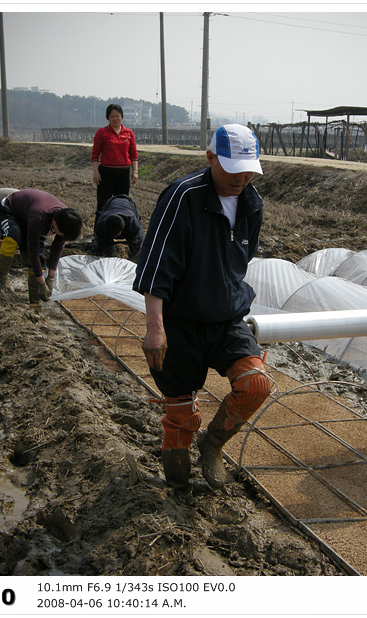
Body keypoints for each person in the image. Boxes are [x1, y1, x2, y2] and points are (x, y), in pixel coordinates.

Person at [133, 124, 272, 493]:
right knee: (179, 424)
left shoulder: (252, 202)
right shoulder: (183, 196)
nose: (241, 177)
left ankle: (212, 445)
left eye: (248, 170)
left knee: (256, 384)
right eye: (231, 168)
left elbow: (240, 260)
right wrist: (155, 328)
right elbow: (156, 265)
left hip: (226, 317)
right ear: (210, 158)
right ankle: (177, 490)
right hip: (180, 322)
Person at [0, 189, 82, 306]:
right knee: (13, 237)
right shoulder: (40, 217)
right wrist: (42, 283)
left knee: (39, 259)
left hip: (30, 215)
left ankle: (34, 300)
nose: (62, 236)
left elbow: (57, 248)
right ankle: (1, 283)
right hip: (11, 210)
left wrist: (50, 277)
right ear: (54, 224)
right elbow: (33, 251)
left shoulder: (66, 220)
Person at [91, 104, 138, 221]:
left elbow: (133, 154)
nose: (115, 119)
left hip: (123, 173)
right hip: (106, 173)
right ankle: (100, 234)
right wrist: (95, 172)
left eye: (117, 116)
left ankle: (121, 231)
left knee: (122, 204)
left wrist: (135, 172)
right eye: (112, 116)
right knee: (103, 205)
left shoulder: (129, 133)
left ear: (122, 117)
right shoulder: (102, 133)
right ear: (108, 118)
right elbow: (95, 154)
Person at [88, 194, 145, 261]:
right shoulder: (101, 224)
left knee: (139, 248)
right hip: (110, 203)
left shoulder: (133, 223)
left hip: (128, 204)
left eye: (116, 234)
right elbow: (104, 243)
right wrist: (112, 259)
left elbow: (138, 245)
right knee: (96, 244)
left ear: (121, 230)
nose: (114, 237)